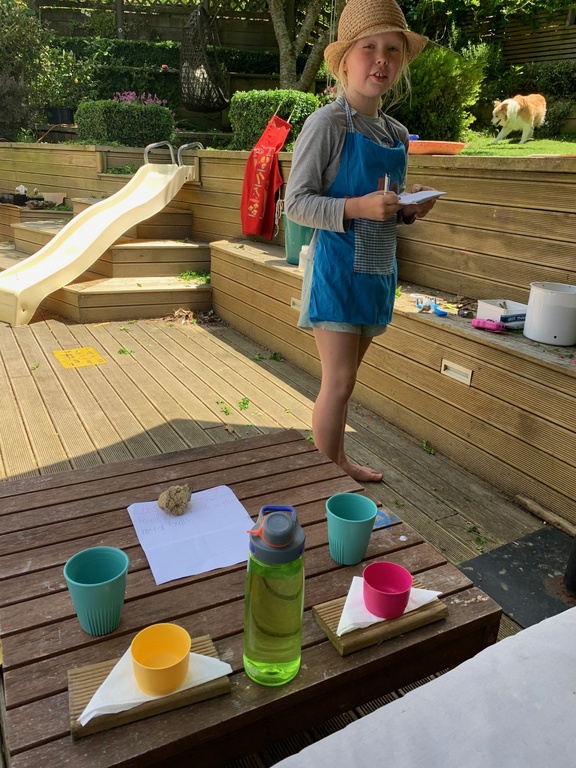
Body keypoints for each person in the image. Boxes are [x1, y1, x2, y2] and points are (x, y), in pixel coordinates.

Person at [284, 0, 438, 483]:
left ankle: (337, 462)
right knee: (339, 381)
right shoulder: (327, 123)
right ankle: (326, 478)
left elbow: (384, 202)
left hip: (376, 271)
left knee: (347, 384)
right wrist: (357, 207)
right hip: (335, 271)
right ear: (345, 60)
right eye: (369, 47)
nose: (381, 59)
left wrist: (407, 208)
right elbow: (296, 204)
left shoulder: (396, 133)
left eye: (392, 49)